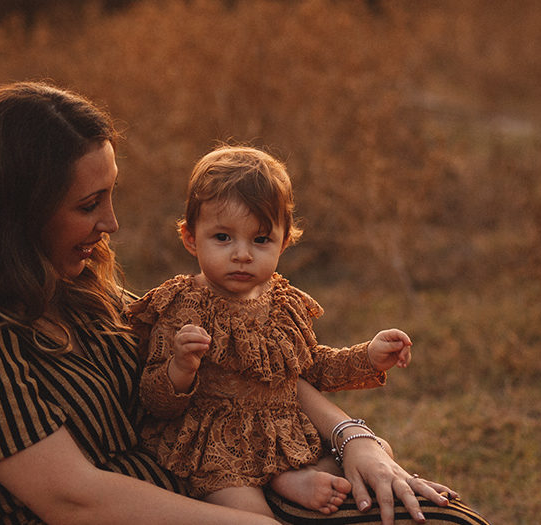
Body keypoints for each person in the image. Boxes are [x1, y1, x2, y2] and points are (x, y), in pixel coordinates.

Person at [0, 82, 485, 525]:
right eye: (87, 205)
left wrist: (357, 440)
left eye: (110, 196)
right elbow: (69, 500)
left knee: (439, 519)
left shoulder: (72, 282)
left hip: (215, 494)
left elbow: (240, 369)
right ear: (15, 210)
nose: (112, 222)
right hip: (165, 515)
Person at [130, 145, 418, 518]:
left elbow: (311, 367)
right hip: (219, 448)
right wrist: (181, 368)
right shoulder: (182, 305)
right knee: (250, 515)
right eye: (223, 238)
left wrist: (367, 355)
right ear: (190, 238)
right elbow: (154, 399)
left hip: (283, 436)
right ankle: (280, 484)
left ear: (284, 242)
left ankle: (286, 478)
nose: (242, 254)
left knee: (376, 448)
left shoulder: (283, 301)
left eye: (260, 240)